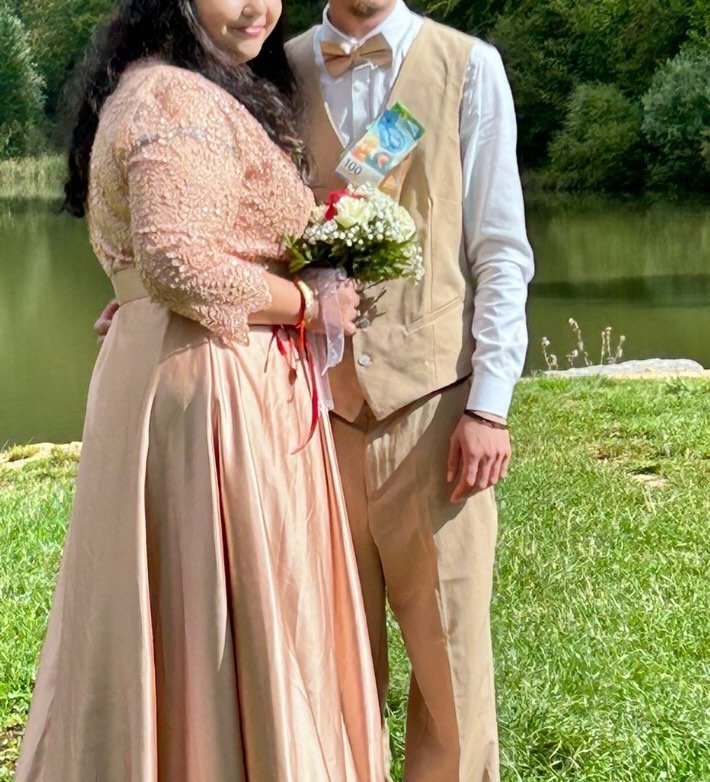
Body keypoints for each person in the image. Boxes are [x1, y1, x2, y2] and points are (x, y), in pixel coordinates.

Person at [13, 0, 386, 779]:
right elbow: (179, 260)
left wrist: (147, 305)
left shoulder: (165, 85)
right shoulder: (175, 97)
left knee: (190, 614)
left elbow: (166, 259)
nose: (257, 7)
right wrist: (309, 303)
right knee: (222, 611)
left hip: (186, 366)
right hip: (215, 388)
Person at [285, 1, 535, 779]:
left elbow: (500, 250)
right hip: (311, 416)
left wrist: (489, 404)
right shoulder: (277, 67)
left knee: (451, 663)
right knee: (326, 667)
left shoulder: (469, 66)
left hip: (434, 412)